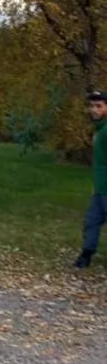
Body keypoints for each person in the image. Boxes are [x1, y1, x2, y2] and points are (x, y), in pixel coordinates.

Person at [75, 89, 107, 268]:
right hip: (100, 189)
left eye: (99, 106)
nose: (94, 109)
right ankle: (86, 255)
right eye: (92, 106)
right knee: (92, 221)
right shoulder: (100, 130)